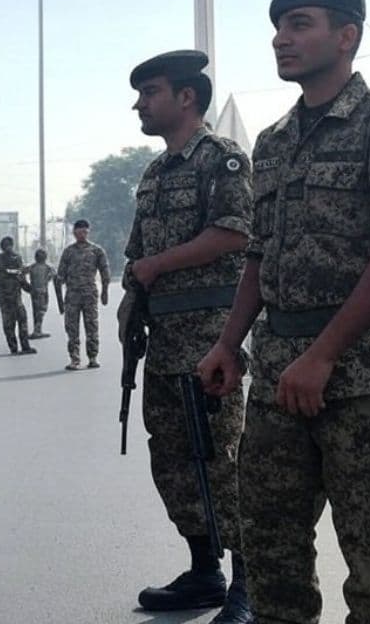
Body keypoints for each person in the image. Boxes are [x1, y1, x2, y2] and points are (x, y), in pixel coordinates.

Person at [198, 0, 370, 624]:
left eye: (299, 23)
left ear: (348, 34)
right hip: (279, 376)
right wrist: (229, 342)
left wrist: (325, 354)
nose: (281, 39)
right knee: (272, 561)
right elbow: (259, 250)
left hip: (366, 379)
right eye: (277, 27)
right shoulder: (272, 143)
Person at [123, 50, 254, 623]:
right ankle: (205, 569)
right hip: (164, 340)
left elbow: (233, 233)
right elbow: (135, 255)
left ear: (186, 98)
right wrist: (133, 299)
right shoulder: (154, 173)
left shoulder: (221, 160)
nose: (139, 104)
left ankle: (250, 584)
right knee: (173, 459)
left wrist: (157, 267)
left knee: (219, 459)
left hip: (210, 337)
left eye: (149, 92)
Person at [56, 219, 110, 370]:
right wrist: (60, 302)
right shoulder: (68, 252)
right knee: (72, 328)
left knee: (91, 325)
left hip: (90, 294)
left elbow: (105, 271)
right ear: (74, 233)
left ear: (88, 232)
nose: (82, 235)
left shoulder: (96, 250)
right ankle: (75, 359)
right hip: (72, 295)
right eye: (79, 232)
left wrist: (105, 291)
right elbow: (59, 277)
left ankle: (93, 357)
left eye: (85, 232)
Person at [0, 236, 36, 355]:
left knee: (20, 321)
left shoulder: (16, 258)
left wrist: (30, 289)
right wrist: (17, 277)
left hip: (15, 297)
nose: (9, 248)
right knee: (10, 324)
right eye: (6, 245)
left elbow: (21, 279)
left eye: (9, 245)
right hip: (8, 298)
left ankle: (22, 346)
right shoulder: (0, 261)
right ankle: (15, 347)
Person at [25, 248, 56, 338]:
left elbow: (20, 273)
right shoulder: (48, 267)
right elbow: (55, 276)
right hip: (43, 292)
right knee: (41, 310)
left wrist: (27, 287)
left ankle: (37, 330)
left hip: (34, 291)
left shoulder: (32, 267)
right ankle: (37, 331)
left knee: (36, 311)